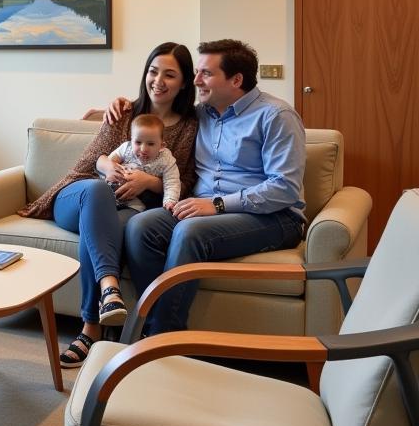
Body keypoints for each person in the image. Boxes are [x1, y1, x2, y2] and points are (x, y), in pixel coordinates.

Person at [19, 41, 198, 368]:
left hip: (123, 210)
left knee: (105, 229)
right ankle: (99, 308)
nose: (158, 80)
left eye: (169, 75)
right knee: (97, 196)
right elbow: (88, 160)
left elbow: (183, 180)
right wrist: (106, 165)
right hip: (79, 195)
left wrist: (150, 183)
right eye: (153, 71)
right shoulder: (124, 112)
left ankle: (93, 327)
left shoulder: (189, 127)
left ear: (185, 82)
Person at [118, 38, 306, 335]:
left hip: (273, 217)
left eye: (205, 73)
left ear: (236, 80)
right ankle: (155, 322)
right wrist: (122, 107)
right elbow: (156, 116)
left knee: (190, 231)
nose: (195, 81)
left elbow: (284, 188)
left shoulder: (276, 116)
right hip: (203, 207)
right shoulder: (201, 114)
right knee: (141, 227)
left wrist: (218, 205)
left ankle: (161, 338)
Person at [100, 113, 181, 213]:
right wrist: (111, 172)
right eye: (138, 142)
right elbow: (110, 163)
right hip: (112, 191)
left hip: (138, 201)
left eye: (150, 144)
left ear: (161, 145)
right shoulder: (126, 148)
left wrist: (170, 201)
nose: (143, 149)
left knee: (136, 209)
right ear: (131, 140)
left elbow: (172, 182)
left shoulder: (166, 159)